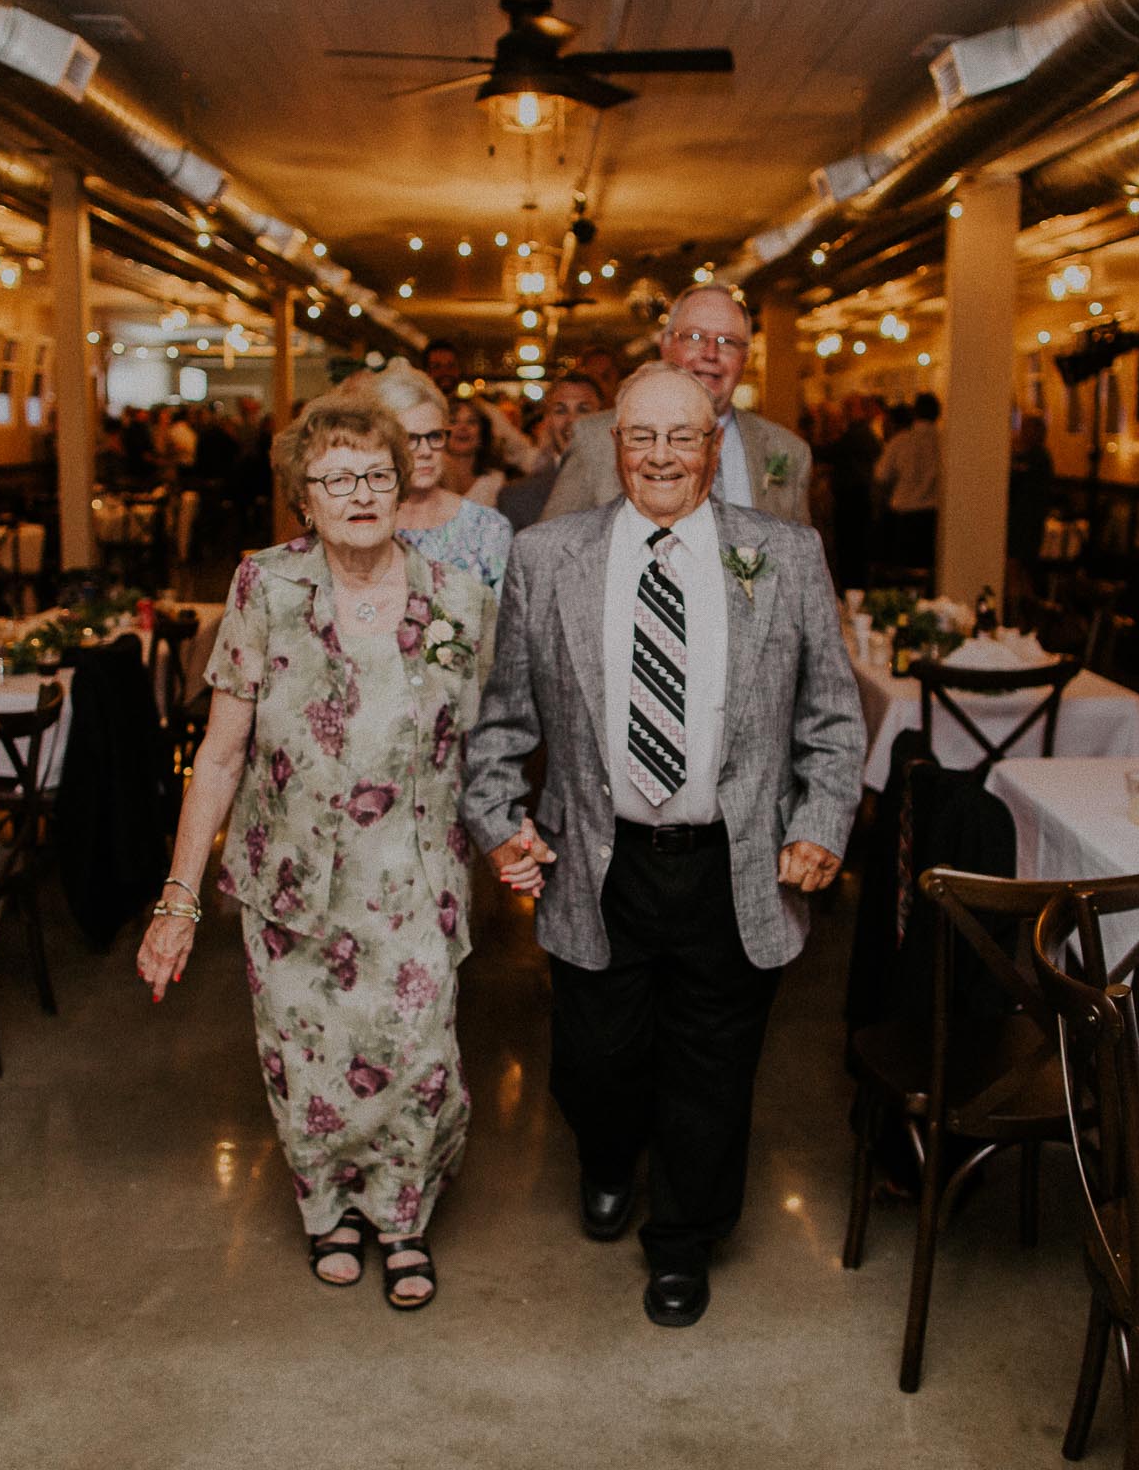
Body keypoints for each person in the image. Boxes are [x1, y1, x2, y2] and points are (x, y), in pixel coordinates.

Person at [463, 361, 865, 1329]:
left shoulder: (786, 553)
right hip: (597, 860)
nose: (660, 456)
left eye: (682, 436)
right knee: (595, 1062)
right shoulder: (549, 555)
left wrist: (818, 823)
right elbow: (501, 725)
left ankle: (683, 1238)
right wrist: (497, 818)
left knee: (712, 1068)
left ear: (714, 446)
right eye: (641, 436)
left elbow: (834, 718)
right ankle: (607, 1153)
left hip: (736, 859)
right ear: (611, 447)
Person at [135, 390, 495, 1313]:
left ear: (407, 477)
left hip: (414, 879)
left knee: (420, 1056)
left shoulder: (458, 596)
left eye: (378, 473)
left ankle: (403, 1216)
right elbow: (220, 753)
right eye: (337, 479)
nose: (362, 492)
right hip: (293, 880)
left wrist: (518, 834)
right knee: (308, 1059)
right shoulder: (267, 585)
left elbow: (492, 741)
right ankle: (330, 1208)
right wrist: (178, 898)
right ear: (306, 498)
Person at [542, 287, 812, 525]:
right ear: (666, 346)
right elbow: (553, 550)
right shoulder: (594, 440)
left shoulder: (787, 451)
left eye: (727, 342)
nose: (710, 354)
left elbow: (797, 566)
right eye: (694, 338)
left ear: (745, 358)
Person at [372, 359, 513, 590]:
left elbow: (503, 621)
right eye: (410, 439)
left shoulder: (487, 528)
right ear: (380, 443)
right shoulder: (360, 525)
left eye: (434, 436)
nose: (426, 451)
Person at [499, 372, 604, 530]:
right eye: (560, 411)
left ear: (603, 417)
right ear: (547, 419)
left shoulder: (629, 491)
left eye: (583, 410)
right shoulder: (516, 498)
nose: (572, 421)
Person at [875, 391, 942, 571]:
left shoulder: (901, 441)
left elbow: (881, 475)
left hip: (903, 517)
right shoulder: (944, 442)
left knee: (902, 572)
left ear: (915, 412)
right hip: (931, 517)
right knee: (927, 571)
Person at [823, 394, 884, 590]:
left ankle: (853, 594)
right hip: (857, 499)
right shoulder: (863, 434)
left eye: (848, 408)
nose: (844, 413)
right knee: (854, 553)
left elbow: (830, 452)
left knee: (850, 552)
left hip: (853, 501)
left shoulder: (857, 434)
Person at [1007, 413, 1056, 615]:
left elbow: (1021, 484)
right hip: (1022, 521)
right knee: (1019, 571)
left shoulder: (1039, 458)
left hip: (1026, 522)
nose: (1022, 432)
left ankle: (1020, 612)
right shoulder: (1033, 456)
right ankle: (1023, 612)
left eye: (1027, 428)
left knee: (1018, 568)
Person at [442, 399, 507, 506]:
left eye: (471, 422)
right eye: (453, 421)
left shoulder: (496, 482)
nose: (463, 428)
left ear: (482, 433)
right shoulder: (429, 480)